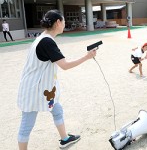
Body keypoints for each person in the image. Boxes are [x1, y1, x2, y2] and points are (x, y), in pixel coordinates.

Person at [17, 10, 97, 150]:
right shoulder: (47, 42)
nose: (65, 24)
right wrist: (87, 57)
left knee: (57, 108)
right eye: (64, 21)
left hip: (43, 88)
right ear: (58, 22)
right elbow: (65, 65)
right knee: (27, 124)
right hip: (34, 90)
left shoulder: (43, 37)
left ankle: (64, 138)